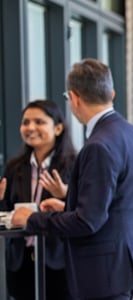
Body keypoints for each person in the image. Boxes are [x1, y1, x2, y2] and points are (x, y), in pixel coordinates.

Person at [10, 58, 133, 299]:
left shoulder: (98, 145)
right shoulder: (131, 133)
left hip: (107, 269)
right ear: (112, 93)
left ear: (74, 98)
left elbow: (88, 222)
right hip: (128, 259)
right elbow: (115, 200)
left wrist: (33, 218)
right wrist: (68, 204)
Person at [0, 100, 76, 300]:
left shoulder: (73, 166)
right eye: (26, 122)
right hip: (20, 261)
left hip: (59, 260)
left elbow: (82, 213)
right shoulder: (14, 167)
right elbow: (6, 213)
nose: (30, 128)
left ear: (58, 128)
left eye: (39, 122)